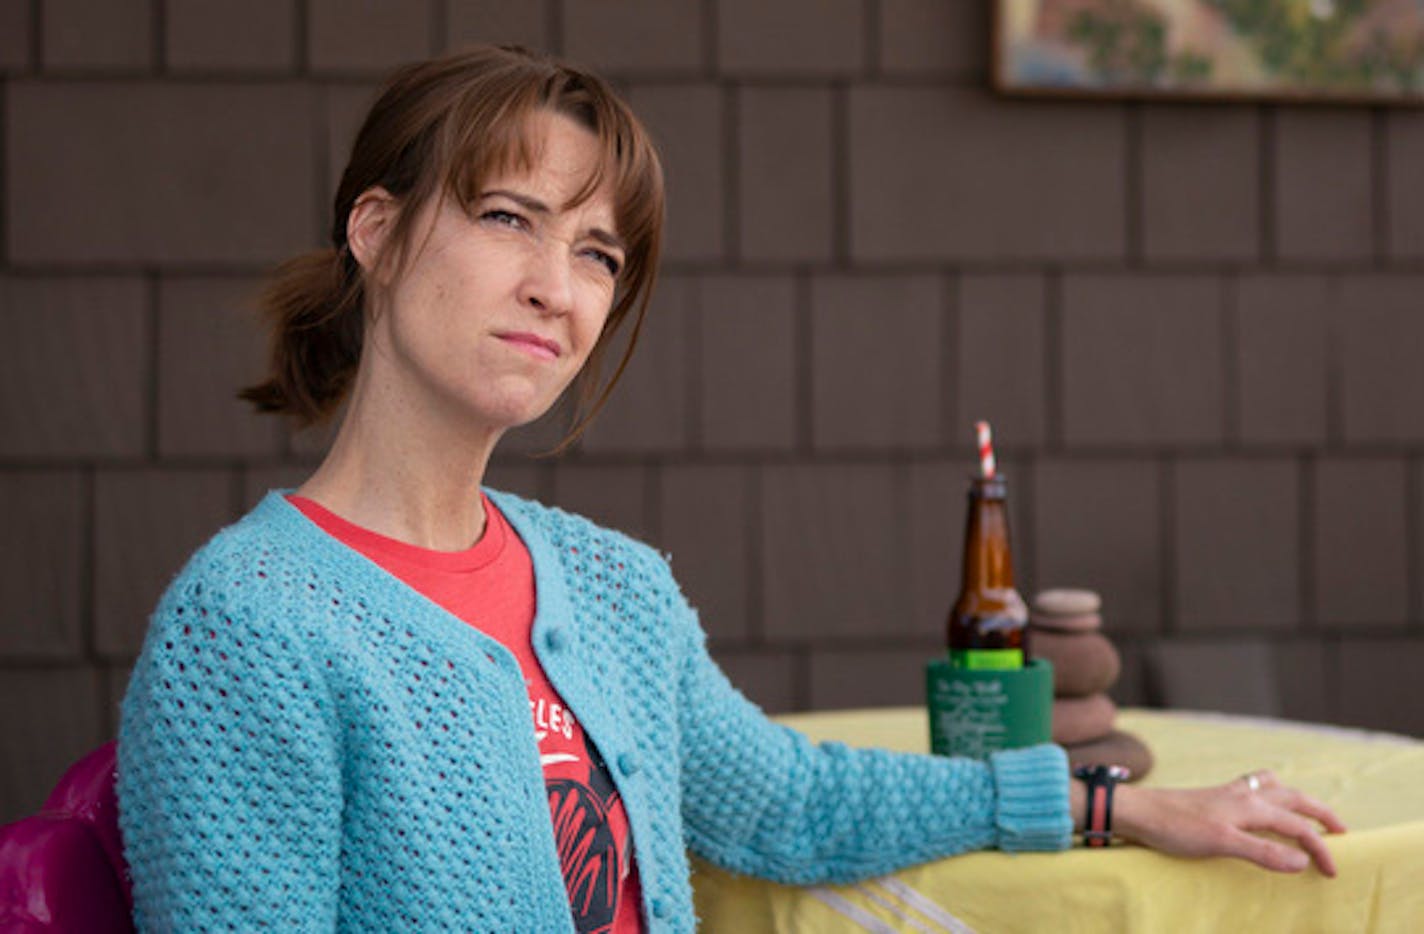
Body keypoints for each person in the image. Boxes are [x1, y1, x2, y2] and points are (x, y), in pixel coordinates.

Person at [116, 45, 1344, 932]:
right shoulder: (251, 627)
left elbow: (792, 802)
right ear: (374, 232)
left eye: (598, 253)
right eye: (508, 217)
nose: (560, 285)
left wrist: (1108, 806)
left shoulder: (610, 587)